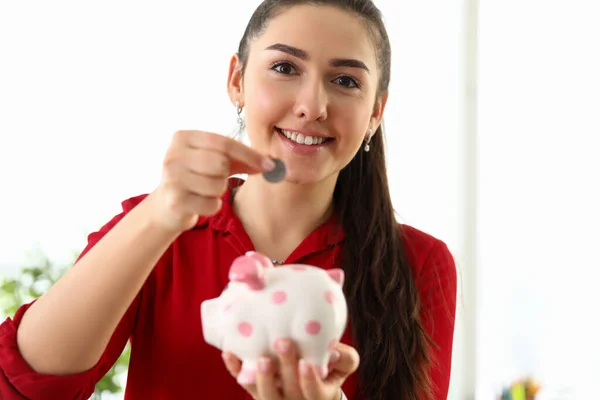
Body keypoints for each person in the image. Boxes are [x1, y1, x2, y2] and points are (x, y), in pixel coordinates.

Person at [0, 0, 457, 399]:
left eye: (345, 80)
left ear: (376, 111)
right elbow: (26, 382)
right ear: (236, 80)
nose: (312, 104)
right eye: (284, 68)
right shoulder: (157, 226)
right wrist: (158, 216)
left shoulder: (420, 263)